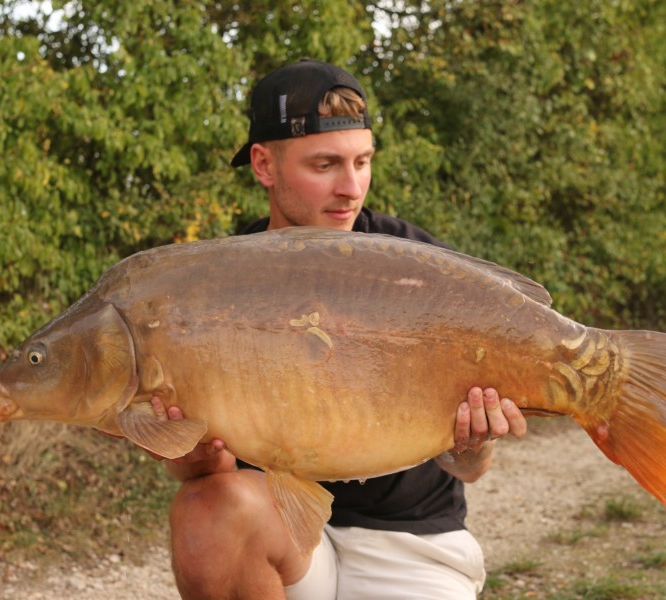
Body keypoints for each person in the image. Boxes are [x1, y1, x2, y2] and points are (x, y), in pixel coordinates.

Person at [159, 59, 527, 599]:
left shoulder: (420, 266)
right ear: (264, 164)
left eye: (363, 162)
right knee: (206, 509)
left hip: (410, 544)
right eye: (326, 164)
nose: (351, 188)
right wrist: (191, 453)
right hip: (285, 538)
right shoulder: (224, 280)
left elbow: (470, 470)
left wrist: (474, 441)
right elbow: (208, 472)